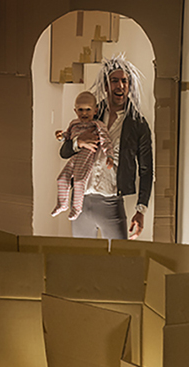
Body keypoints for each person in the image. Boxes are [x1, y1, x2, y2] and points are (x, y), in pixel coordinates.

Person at [59, 54, 153, 240]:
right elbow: (64, 152)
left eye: (124, 81)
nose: (120, 86)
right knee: (81, 255)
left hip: (111, 204)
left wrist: (141, 210)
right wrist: (78, 142)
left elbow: (146, 170)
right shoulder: (91, 113)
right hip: (80, 202)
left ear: (130, 86)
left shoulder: (138, 124)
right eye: (114, 81)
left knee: (120, 256)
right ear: (106, 86)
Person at [52, 91, 114, 221]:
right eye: (80, 110)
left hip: (87, 157)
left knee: (79, 181)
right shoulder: (74, 124)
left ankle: (76, 208)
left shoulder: (97, 125)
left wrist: (109, 155)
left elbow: (106, 141)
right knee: (61, 178)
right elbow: (68, 137)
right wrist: (60, 137)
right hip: (75, 157)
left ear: (95, 111)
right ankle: (62, 204)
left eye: (88, 109)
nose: (84, 113)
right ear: (75, 111)